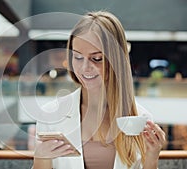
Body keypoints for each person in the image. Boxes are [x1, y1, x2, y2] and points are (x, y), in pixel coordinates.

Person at [33, 11, 166, 169]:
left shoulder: (141, 119)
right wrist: (41, 158)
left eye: (96, 59)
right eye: (78, 57)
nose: (85, 68)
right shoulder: (51, 115)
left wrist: (152, 158)